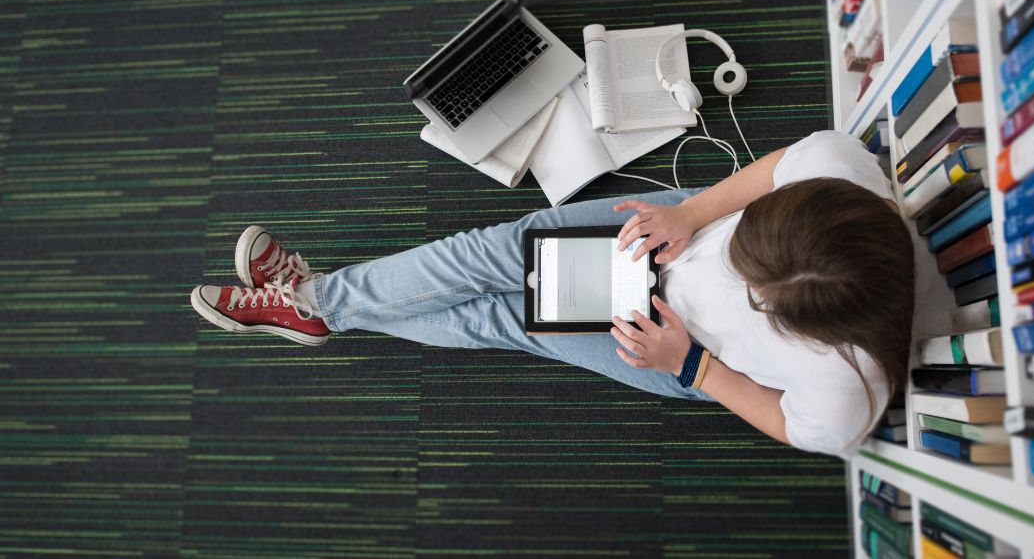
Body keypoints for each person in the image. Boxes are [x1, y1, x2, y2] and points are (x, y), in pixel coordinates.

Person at [189, 130, 915, 458]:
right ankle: (320, 304)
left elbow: (787, 422)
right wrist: (696, 216)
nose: (739, 272)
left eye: (750, 286)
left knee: (507, 316)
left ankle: (315, 305)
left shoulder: (846, 396)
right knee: (497, 252)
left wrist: (691, 367)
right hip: (682, 231)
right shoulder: (841, 170)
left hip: (687, 348)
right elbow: (780, 167)